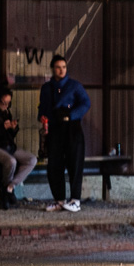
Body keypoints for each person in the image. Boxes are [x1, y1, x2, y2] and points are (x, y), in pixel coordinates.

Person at [38, 54, 92, 212]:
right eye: (58, 67)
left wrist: (71, 115)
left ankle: (75, 200)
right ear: (53, 69)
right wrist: (42, 116)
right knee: (54, 164)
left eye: (64, 67)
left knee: (74, 163)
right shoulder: (46, 88)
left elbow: (85, 103)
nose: (61, 70)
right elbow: (43, 107)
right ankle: (59, 200)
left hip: (71, 128)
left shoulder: (74, 86)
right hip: (54, 128)